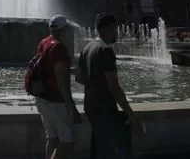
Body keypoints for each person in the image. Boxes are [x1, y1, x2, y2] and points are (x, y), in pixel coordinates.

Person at [76, 14, 143, 159]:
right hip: (104, 107)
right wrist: (132, 116)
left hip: (90, 105)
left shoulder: (87, 48)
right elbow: (113, 87)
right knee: (111, 150)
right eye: (115, 28)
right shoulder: (105, 50)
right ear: (109, 28)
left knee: (99, 147)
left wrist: (94, 83)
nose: (117, 32)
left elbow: (79, 78)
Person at [34, 15, 81, 159]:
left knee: (52, 138)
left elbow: (50, 68)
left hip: (42, 97)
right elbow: (61, 80)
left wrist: (67, 70)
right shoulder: (59, 48)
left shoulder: (44, 42)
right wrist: (70, 104)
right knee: (67, 141)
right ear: (64, 30)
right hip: (56, 99)